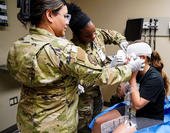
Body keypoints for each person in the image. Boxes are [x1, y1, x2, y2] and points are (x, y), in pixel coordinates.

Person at [7, 0, 144, 132]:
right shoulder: (63, 49)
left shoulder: (19, 45)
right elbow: (101, 76)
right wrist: (130, 68)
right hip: (56, 126)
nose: (67, 22)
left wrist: (68, 82)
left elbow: (34, 76)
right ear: (49, 15)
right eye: (65, 16)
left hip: (27, 121)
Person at [67, 3, 130, 132]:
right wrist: (110, 68)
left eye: (94, 32)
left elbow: (113, 35)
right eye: (88, 35)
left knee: (98, 119)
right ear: (77, 34)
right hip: (84, 97)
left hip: (97, 91)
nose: (93, 37)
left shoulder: (97, 34)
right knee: (84, 125)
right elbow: (80, 78)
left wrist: (122, 42)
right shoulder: (73, 50)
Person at [92, 41, 170, 133]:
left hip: (148, 117)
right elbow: (120, 93)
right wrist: (115, 67)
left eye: (129, 58)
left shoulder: (154, 78)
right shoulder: (136, 70)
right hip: (131, 110)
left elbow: (138, 105)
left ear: (142, 58)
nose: (127, 61)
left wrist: (132, 78)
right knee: (98, 122)